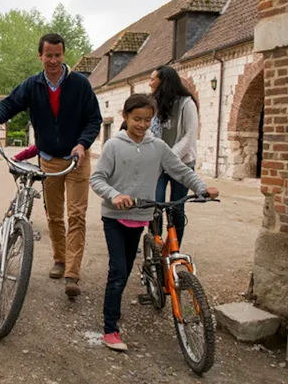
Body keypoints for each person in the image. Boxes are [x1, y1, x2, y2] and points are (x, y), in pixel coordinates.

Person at [90, 93, 218, 351]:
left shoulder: (158, 147)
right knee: (117, 271)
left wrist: (201, 188)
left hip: (141, 216)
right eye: (137, 119)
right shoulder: (113, 146)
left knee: (124, 270)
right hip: (115, 217)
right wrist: (115, 196)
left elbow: (181, 171)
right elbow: (98, 179)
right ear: (125, 117)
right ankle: (110, 328)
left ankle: (114, 307)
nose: (142, 124)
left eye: (147, 120)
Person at [0, 33, 102, 298]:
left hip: (77, 160)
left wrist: (82, 144)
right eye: (48, 55)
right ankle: (59, 259)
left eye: (58, 55)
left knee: (76, 215)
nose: (53, 60)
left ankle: (72, 273)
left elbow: (94, 120)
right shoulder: (33, 85)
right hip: (49, 160)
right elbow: (10, 103)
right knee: (54, 215)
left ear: (64, 55)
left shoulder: (80, 85)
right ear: (40, 56)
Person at [149, 65, 199, 247]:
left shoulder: (187, 104)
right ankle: (155, 244)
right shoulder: (155, 103)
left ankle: (174, 248)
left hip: (182, 164)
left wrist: (170, 157)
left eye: (153, 78)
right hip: (159, 165)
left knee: (177, 208)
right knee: (156, 203)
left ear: (164, 81)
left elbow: (190, 135)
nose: (150, 83)